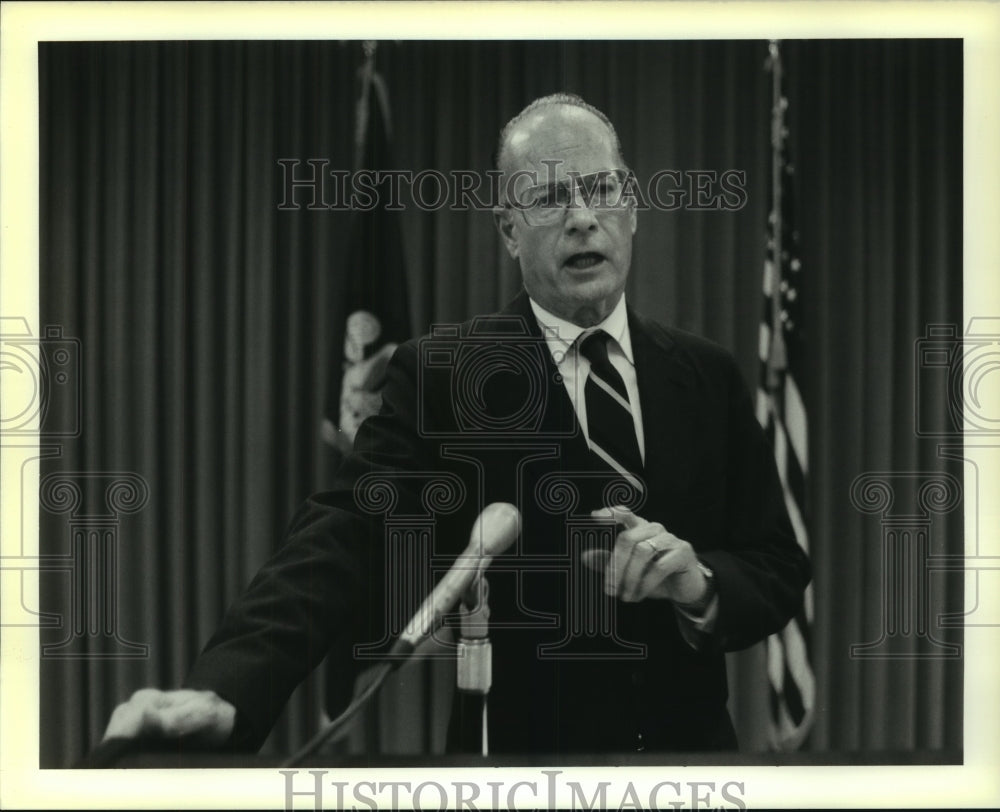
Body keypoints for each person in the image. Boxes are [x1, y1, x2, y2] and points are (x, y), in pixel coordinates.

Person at [103, 93, 810, 755]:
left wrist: (701, 586)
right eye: (548, 197)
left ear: (632, 206)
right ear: (507, 229)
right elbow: (338, 537)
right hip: (513, 771)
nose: (582, 217)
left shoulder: (706, 377)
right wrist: (225, 690)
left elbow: (777, 564)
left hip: (693, 772)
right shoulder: (445, 376)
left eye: (601, 189)